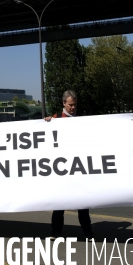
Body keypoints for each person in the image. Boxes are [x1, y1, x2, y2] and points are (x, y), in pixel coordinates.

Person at [45, 90, 94, 241]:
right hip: (62, 170)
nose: (73, 107)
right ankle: (55, 232)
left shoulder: (80, 120)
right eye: (70, 105)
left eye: (75, 105)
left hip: (77, 168)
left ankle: (88, 233)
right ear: (64, 104)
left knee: (82, 205)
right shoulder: (55, 119)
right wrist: (45, 123)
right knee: (59, 204)